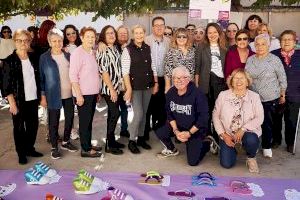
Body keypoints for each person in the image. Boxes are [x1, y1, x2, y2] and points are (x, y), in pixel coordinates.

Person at [2, 29, 43, 164]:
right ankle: (21, 153)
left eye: (26, 40)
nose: (23, 43)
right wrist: (12, 103)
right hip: (18, 101)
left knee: (33, 126)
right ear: (15, 42)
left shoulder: (34, 58)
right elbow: (5, 85)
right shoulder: (9, 61)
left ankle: (30, 148)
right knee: (19, 128)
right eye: (19, 40)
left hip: (33, 99)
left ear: (29, 42)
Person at [155, 67, 210, 166]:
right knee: (160, 130)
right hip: (179, 127)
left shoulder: (198, 94)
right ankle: (172, 149)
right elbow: (169, 113)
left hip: (195, 130)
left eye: (183, 78)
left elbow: (203, 118)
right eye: (176, 78)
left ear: (189, 79)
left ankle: (207, 144)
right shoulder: (171, 93)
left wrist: (189, 133)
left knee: (192, 162)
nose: (179, 81)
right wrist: (176, 131)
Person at [213, 69, 264, 173]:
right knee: (226, 164)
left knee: (251, 140)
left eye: (242, 78)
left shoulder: (254, 97)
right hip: (228, 133)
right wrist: (223, 135)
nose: (238, 81)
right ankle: (235, 149)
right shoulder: (223, 95)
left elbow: (260, 117)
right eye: (236, 78)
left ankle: (251, 157)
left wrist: (243, 129)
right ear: (231, 81)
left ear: (247, 82)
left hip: (247, 132)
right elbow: (215, 116)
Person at [245, 34, 287, 158]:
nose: (260, 46)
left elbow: (282, 77)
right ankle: (255, 145)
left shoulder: (274, 59)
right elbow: (247, 76)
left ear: (268, 45)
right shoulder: (251, 59)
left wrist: (282, 94)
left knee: (267, 123)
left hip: (270, 97)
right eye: (257, 44)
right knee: (253, 123)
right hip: (253, 97)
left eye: (263, 44)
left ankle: (266, 146)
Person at [39, 28, 78, 159]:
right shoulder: (44, 58)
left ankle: (66, 142)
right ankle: (54, 146)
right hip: (53, 95)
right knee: (53, 122)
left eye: (59, 40)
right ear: (49, 42)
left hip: (69, 94)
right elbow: (41, 79)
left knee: (70, 118)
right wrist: (43, 96)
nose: (57, 43)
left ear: (62, 41)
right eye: (54, 41)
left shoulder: (68, 56)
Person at [121, 24, 158, 154]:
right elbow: (125, 72)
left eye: (141, 32)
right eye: (136, 33)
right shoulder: (128, 50)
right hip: (135, 87)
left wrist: (156, 83)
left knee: (145, 113)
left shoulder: (148, 48)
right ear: (133, 34)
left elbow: (152, 66)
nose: (139, 35)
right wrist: (129, 89)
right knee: (138, 114)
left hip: (148, 86)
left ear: (144, 33)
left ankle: (141, 139)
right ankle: (132, 140)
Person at [69, 26, 102, 158]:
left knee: (88, 121)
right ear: (81, 37)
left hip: (92, 94)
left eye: (92, 37)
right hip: (83, 95)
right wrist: (79, 95)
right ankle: (85, 149)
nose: (90, 39)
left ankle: (87, 144)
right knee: (84, 122)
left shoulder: (92, 52)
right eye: (87, 36)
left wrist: (97, 92)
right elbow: (73, 76)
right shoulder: (77, 53)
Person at [195, 23, 227, 144]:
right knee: (206, 109)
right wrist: (197, 84)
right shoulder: (201, 47)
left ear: (219, 33)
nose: (212, 35)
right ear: (206, 35)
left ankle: (218, 133)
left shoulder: (225, 47)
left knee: (218, 109)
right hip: (205, 81)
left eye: (215, 32)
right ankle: (207, 134)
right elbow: (197, 67)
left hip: (220, 82)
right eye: (209, 33)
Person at [96, 25, 125, 155]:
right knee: (115, 113)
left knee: (113, 115)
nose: (111, 35)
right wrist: (112, 90)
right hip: (109, 88)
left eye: (113, 33)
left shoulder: (115, 47)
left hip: (117, 88)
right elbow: (104, 71)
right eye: (108, 33)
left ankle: (111, 140)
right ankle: (109, 145)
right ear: (103, 36)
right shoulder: (103, 49)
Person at [271, 30, 300, 153]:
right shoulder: (273, 55)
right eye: (284, 39)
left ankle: (290, 142)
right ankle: (276, 140)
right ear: (279, 42)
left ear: (294, 42)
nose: (286, 41)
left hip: (295, 94)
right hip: (276, 93)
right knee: (276, 119)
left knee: (291, 121)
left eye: (289, 39)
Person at [144, 16, 170, 139]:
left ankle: (160, 131)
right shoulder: (145, 40)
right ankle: (144, 133)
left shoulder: (169, 41)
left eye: (162, 25)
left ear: (164, 27)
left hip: (164, 78)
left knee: (162, 106)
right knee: (148, 105)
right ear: (153, 27)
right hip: (149, 78)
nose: (159, 27)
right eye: (157, 25)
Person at [62, 24, 82, 140]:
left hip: (82, 82)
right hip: (69, 82)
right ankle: (72, 130)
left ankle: (81, 129)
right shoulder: (64, 48)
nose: (71, 35)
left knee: (81, 109)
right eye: (68, 34)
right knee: (70, 111)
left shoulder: (82, 46)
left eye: (73, 33)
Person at [165, 28, 195, 92]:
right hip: (176, 84)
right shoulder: (171, 51)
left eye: (184, 37)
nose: (181, 39)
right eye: (179, 37)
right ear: (175, 38)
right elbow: (167, 71)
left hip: (190, 84)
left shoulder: (192, 51)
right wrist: (167, 86)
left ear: (187, 38)